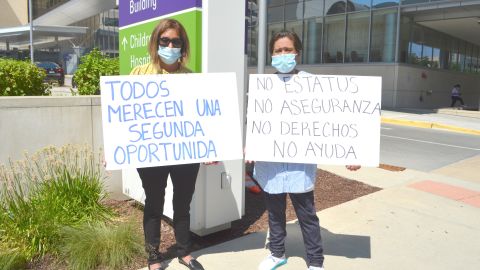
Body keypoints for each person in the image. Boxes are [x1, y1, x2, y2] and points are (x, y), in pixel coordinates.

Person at [252, 31, 361, 270]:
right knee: (275, 213)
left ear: (297, 53)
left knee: (307, 216)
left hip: (300, 166)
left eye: (287, 50)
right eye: (278, 50)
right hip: (271, 165)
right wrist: (251, 146)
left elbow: (334, 121)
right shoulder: (264, 86)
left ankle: (315, 261)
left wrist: (352, 151)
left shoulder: (312, 83)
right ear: (271, 54)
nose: (283, 54)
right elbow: (256, 123)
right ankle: (277, 253)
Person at [130, 18, 205, 270]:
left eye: (176, 41)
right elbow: (125, 118)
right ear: (156, 43)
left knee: (183, 203)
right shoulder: (139, 74)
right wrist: (116, 147)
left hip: (184, 154)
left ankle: (184, 252)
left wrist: (209, 147)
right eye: (165, 40)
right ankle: (153, 256)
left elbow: (202, 119)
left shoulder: (192, 79)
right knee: (154, 203)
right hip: (151, 154)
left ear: (182, 45)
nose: (170, 45)